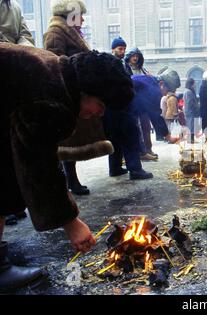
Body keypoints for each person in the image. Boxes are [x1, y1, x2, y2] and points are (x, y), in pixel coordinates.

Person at [0, 43, 134, 290]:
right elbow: (38, 165)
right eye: (101, 106)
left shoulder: (56, 72)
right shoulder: (52, 97)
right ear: (88, 90)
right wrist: (71, 223)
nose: (99, 114)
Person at [44, 0, 113, 196]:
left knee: (72, 139)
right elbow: (56, 63)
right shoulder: (56, 32)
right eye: (79, 14)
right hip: (69, 93)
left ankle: (71, 181)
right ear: (69, 13)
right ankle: (68, 182)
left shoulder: (72, 32)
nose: (82, 18)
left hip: (78, 92)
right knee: (67, 140)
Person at [0, 0, 35, 225]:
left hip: (10, 77)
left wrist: (21, 53)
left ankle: (8, 205)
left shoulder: (15, 8)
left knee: (9, 148)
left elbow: (26, 36)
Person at [103, 37, 154, 180]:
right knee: (131, 136)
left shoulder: (119, 63)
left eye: (124, 49)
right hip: (120, 106)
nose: (122, 51)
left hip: (115, 107)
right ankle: (135, 170)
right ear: (113, 49)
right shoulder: (111, 63)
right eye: (120, 49)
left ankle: (115, 167)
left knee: (116, 139)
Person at [124, 47, 158, 161]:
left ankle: (148, 149)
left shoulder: (142, 69)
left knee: (146, 126)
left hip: (142, 102)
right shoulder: (125, 68)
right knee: (134, 128)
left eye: (137, 56)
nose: (135, 58)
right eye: (133, 56)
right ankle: (140, 151)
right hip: (132, 101)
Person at [129, 73, 181, 147]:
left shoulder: (150, 81)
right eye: (167, 91)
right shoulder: (154, 89)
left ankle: (142, 153)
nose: (166, 94)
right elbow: (156, 114)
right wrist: (168, 136)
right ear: (161, 84)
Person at [184, 78, 200, 143]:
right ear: (191, 84)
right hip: (190, 111)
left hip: (189, 111)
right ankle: (190, 139)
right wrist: (196, 105)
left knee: (190, 125)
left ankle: (191, 139)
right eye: (194, 84)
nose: (195, 85)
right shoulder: (188, 91)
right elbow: (190, 102)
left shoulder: (187, 91)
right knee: (191, 125)